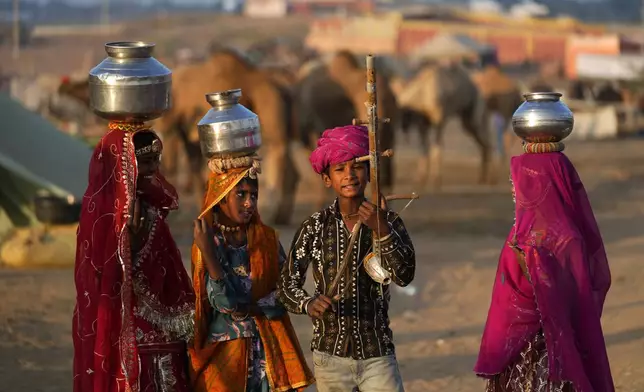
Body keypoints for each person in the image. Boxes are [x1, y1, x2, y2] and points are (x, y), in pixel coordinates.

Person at [278, 125, 416, 392]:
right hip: (329, 355)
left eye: (357, 167)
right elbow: (286, 285)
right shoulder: (314, 226)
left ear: (368, 173)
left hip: (377, 352)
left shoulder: (388, 221)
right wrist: (308, 304)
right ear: (327, 179)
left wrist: (382, 230)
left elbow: (405, 275)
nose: (349, 176)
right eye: (339, 169)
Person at [474, 151, 614, 392]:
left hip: (551, 357)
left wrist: (533, 261)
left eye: (518, 181)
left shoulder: (564, 239)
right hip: (517, 353)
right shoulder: (522, 231)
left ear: (541, 183)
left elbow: (570, 302)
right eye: (512, 182)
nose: (513, 189)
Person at [73, 125, 195, 392]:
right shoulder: (116, 212)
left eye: (155, 161)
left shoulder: (145, 203)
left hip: (162, 318)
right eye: (145, 161)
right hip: (134, 318)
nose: (152, 169)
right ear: (125, 163)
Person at [189, 154, 314, 392]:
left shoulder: (266, 239)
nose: (249, 203)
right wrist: (207, 251)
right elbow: (223, 303)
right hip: (225, 351)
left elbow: (285, 291)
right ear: (221, 197)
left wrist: (249, 309)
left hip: (268, 349)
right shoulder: (207, 242)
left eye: (254, 196)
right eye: (241, 194)